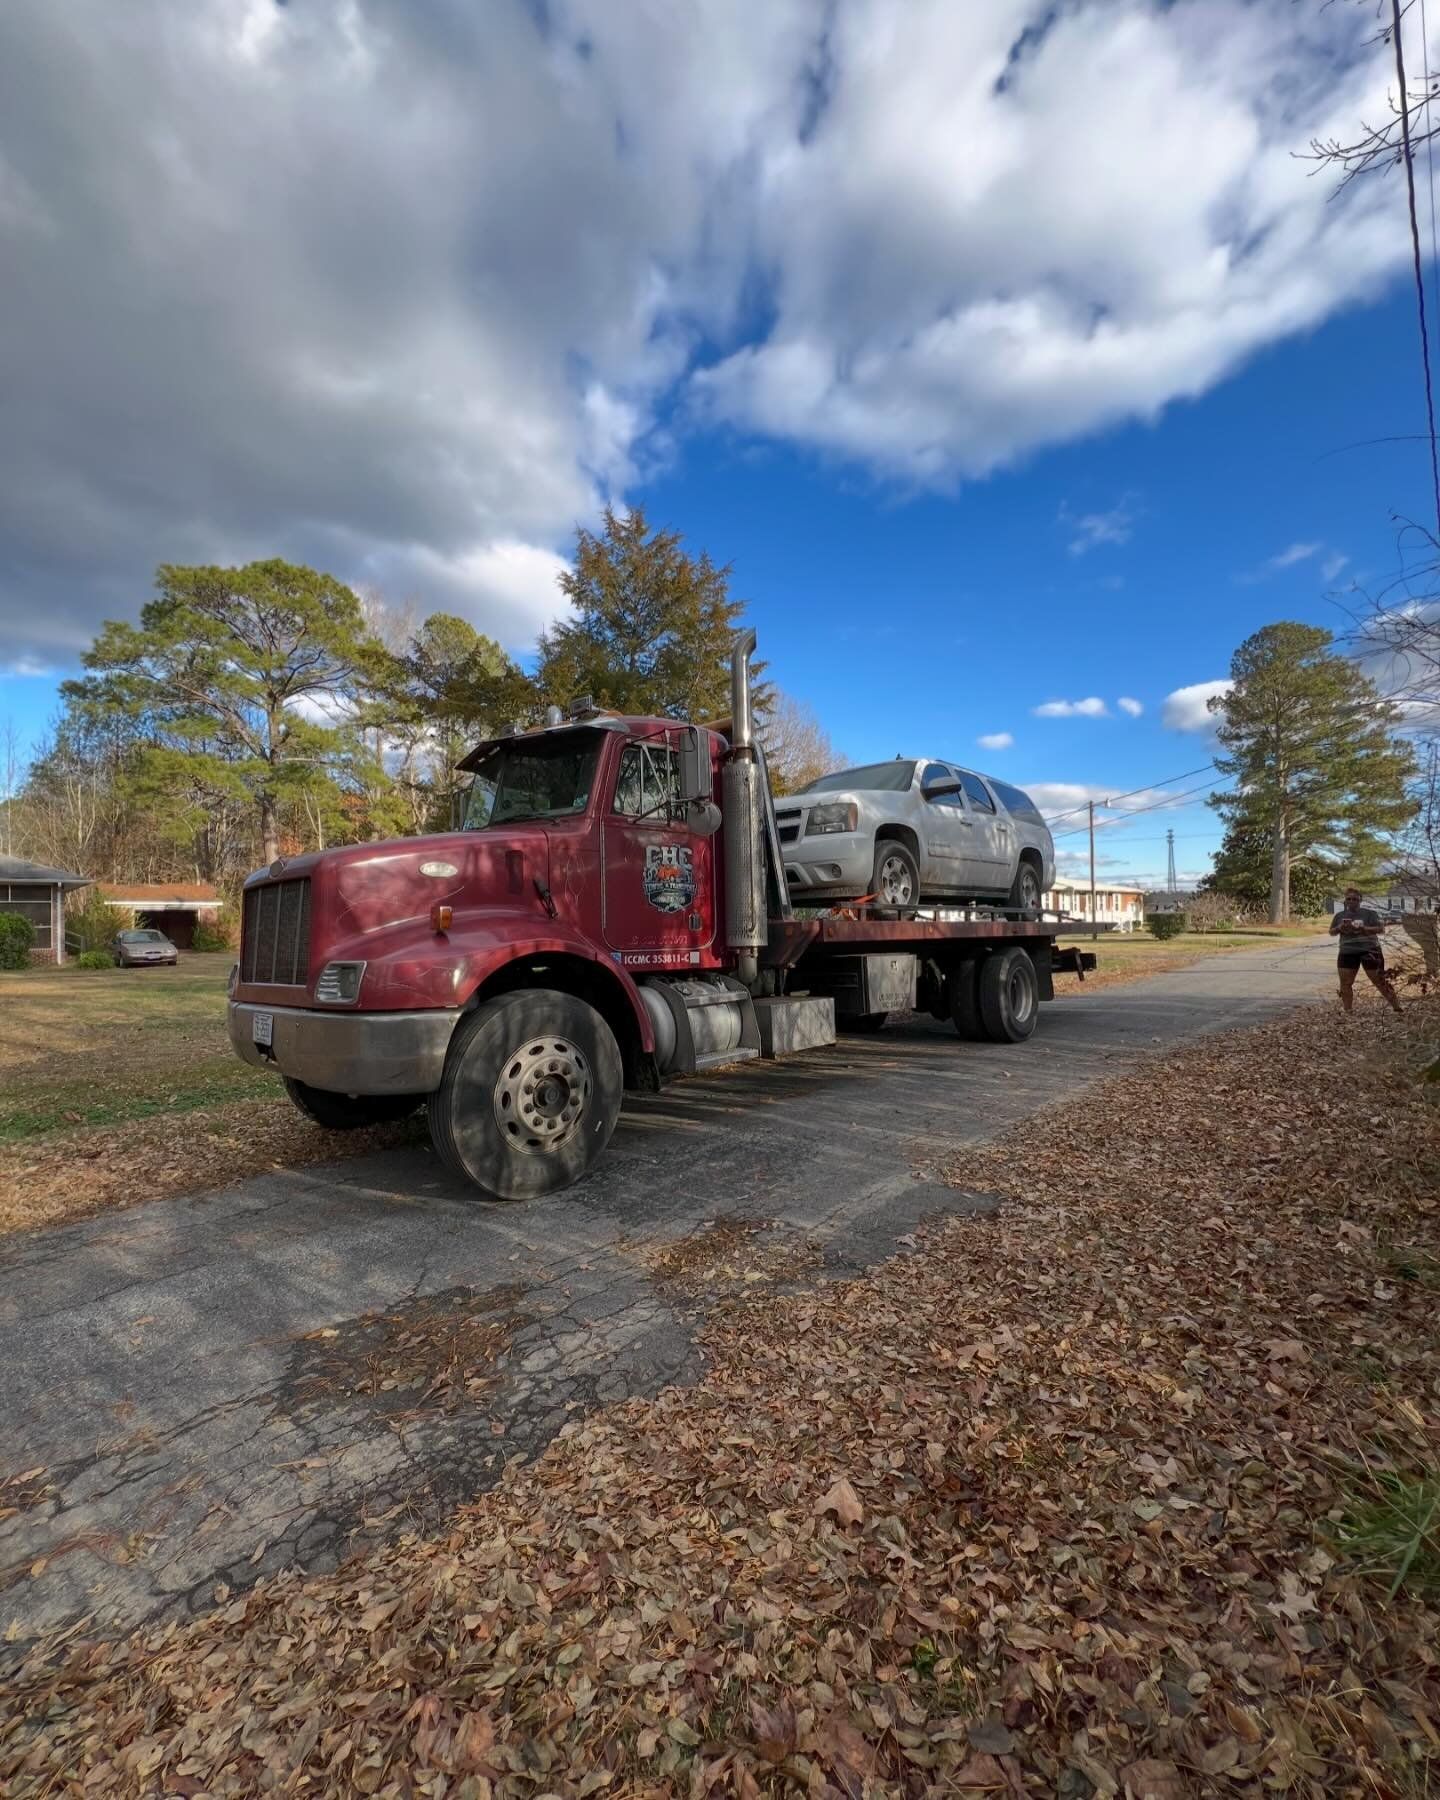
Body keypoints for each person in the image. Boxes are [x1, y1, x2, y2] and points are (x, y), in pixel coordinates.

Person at [1329, 887, 1402, 1015]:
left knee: (1379, 980)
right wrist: (1340, 928)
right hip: (1347, 951)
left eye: (1355, 899)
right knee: (1345, 983)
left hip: (1370, 950)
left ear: (1360, 900)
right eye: (1348, 899)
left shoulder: (1370, 914)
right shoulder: (1339, 916)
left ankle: (1397, 1008)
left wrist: (1364, 929)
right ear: (1345, 901)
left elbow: (1381, 929)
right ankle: (1348, 1011)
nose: (1351, 901)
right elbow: (1331, 932)